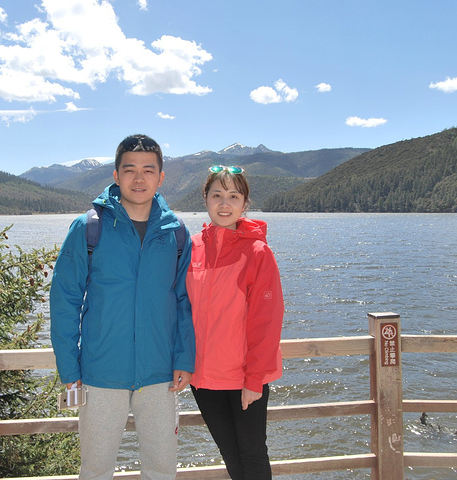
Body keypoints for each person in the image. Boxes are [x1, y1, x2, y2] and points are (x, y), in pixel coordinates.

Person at [50, 134, 195, 480]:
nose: (139, 178)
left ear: (161, 177)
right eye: (130, 170)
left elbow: (184, 301)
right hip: (100, 373)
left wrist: (185, 358)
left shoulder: (176, 233)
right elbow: (65, 301)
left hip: (161, 375)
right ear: (116, 175)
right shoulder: (89, 228)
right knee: (96, 470)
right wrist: (70, 369)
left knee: (162, 470)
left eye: (148, 170)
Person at [186, 165, 284, 480]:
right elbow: (181, 310)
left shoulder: (257, 252)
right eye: (217, 195)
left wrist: (254, 379)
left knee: (252, 456)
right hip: (203, 377)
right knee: (229, 453)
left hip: (243, 376)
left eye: (233, 196)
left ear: (244, 203)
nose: (224, 204)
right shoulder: (191, 247)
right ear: (205, 199)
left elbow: (267, 321)